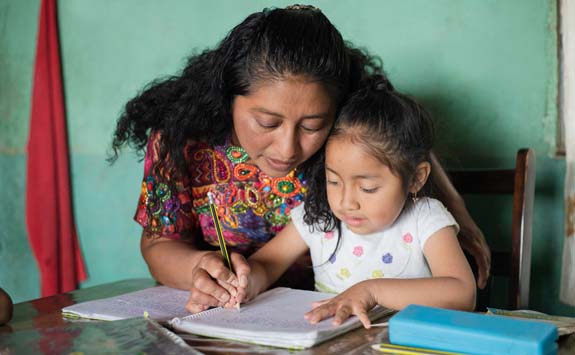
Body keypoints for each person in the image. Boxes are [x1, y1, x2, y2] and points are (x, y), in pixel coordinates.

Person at [108, 5, 488, 313]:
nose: (288, 149)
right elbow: (159, 245)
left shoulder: (346, 129)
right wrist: (200, 269)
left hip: (332, 317)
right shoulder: (180, 139)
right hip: (240, 313)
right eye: (267, 122)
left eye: (312, 125)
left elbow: (397, 148)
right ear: (226, 98)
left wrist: (458, 211)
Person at [234, 76, 476, 328]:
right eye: (334, 182)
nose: (347, 202)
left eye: (367, 188)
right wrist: (245, 281)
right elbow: (266, 264)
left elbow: (462, 293)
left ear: (415, 179)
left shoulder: (425, 218)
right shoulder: (319, 216)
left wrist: (371, 292)